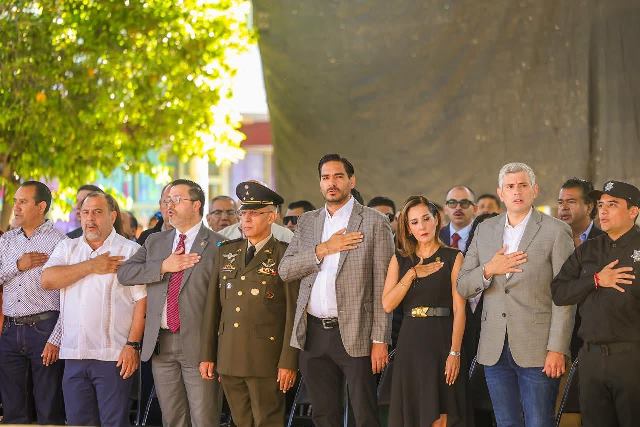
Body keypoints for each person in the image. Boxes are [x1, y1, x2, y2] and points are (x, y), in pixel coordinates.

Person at [279, 153, 395, 427]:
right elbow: (285, 270)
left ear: (351, 181)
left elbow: (383, 285)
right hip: (313, 332)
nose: (331, 183)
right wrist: (323, 249)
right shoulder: (308, 222)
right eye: (325, 177)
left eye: (338, 176)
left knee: (363, 413)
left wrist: (380, 339)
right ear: (320, 183)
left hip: (357, 331)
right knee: (323, 414)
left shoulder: (374, 221)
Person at [457, 162, 575, 427]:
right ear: (501, 192)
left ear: (535, 190)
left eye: (523, 185)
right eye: (510, 186)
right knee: (505, 422)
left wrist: (557, 348)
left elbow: (565, 296)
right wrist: (489, 269)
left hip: (539, 349)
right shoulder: (485, 229)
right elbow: (463, 285)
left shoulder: (556, 231)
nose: (517, 191)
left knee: (539, 422)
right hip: (493, 348)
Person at [117, 179, 224, 427]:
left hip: (201, 345)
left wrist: (215, 349)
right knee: (172, 419)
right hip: (160, 343)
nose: (169, 206)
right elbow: (125, 273)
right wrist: (163, 266)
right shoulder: (156, 241)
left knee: (204, 419)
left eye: (177, 200)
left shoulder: (219, 245)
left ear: (196, 205)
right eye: (167, 200)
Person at [41, 192, 146, 427]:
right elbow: (47, 280)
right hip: (74, 355)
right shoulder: (67, 247)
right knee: (78, 423)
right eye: (85, 212)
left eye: (98, 212)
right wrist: (91, 266)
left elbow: (142, 301)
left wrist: (132, 345)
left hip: (114, 356)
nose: (90, 218)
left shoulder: (130, 250)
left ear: (112, 216)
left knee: (114, 423)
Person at [200, 181, 300, 427]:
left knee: (268, 421)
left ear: (272, 217)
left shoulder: (285, 254)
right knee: (240, 420)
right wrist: (208, 355)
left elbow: (293, 313)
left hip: (266, 358)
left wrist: (289, 361)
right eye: (243, 213)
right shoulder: (227, 252)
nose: (246, 219)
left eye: (254, 213)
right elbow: (213, 309)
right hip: (229, 355)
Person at [551, 180, 640, 427]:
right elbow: (559, 293)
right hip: (590, 358)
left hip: (632, 358)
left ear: (633, 211)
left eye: (612, 205)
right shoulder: (587, 250)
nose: (603, 211)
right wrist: (596, 280)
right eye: (601, 205)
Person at [382, 196, 467, 427]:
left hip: (442, 341)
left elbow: (459, 309)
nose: (422, 226)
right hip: (410, 342)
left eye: (426, 218)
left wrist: (455, 352)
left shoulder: (453, 257)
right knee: (411, 411)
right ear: (408, 228)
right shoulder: (400, 259)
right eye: (414, 222)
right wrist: (412, 274)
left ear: (436, 219)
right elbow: (388, 304)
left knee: (441, 413)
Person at [0, 181, 66, 424]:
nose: (16, 207)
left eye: (23, 202)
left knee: (49, 410)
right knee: (13, 412)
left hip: (45, 329)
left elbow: (68, 296)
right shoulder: (6, 240)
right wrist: (19, 265)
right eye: (15, 201)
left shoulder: (60, 242)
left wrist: (56, 338)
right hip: (9, 330)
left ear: (41, 207)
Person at [557, 178, 603, 247]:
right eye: (560, 202)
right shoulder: (550, 239)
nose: (564, 207)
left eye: (571, 202)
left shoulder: (606, 242)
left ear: (589, 208)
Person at [440, 186, 477, 251]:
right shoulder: (436, 236)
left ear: (475, 209)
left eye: (464, 203)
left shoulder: (485, 236)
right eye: (452, 203)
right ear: (445, 209)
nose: (458, 208)